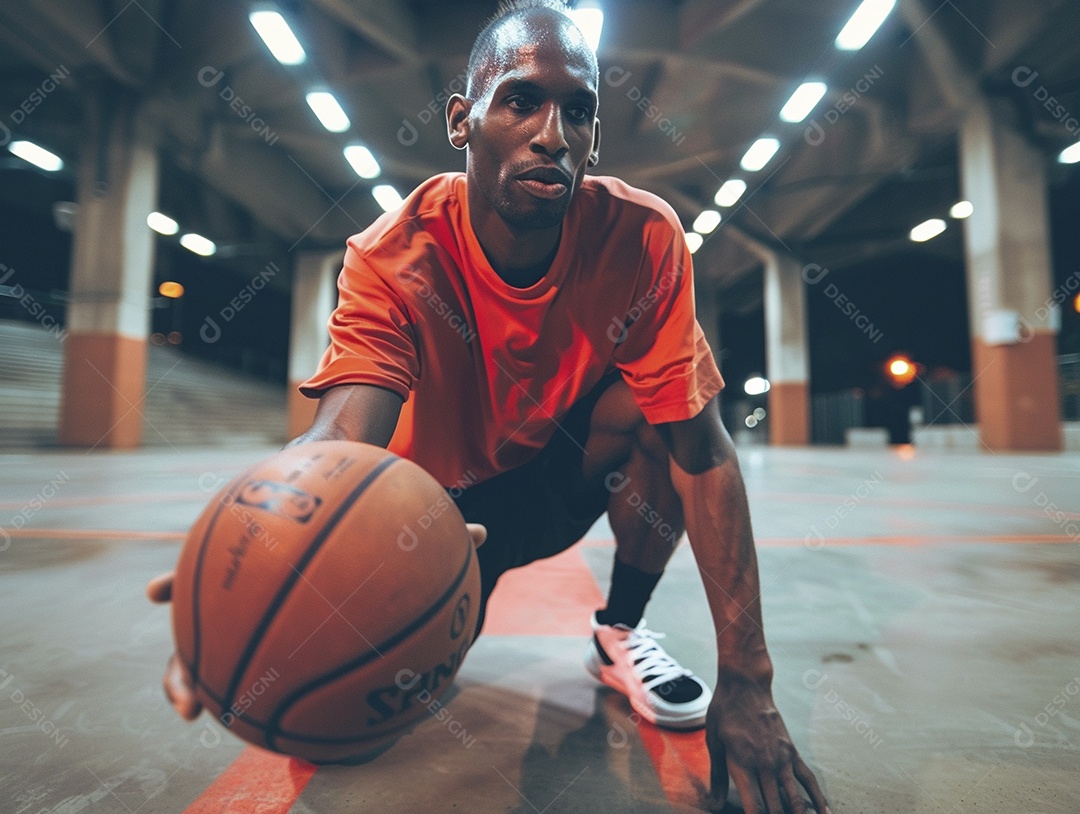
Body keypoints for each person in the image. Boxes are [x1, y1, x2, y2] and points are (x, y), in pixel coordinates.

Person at [148, 1, 831, 810]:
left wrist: (748, 680)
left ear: (594, 138)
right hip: (440, 518)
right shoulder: (396, 254)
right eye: (521, 100)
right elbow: (340, 439)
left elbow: (706, 453)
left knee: (666, 411)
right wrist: (246, 586)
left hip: (568, 473)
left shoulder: (643, 238)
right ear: (462, 122)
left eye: (577, 110)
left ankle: (619, 631)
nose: (552, 132)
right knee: (354, 735)